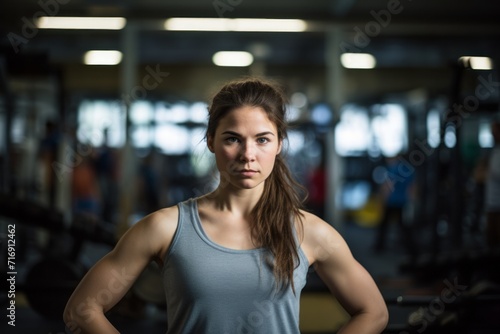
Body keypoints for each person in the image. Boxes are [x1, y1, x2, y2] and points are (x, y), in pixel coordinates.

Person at [63, 78, 388, 334]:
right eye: (233, 138)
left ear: (278, 144)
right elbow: (82, 310)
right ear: (211, 141)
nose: (248, 154)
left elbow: (373, 312)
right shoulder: (166, 228)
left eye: (262, 139)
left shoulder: (309, 232)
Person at [485, 119, 500, 247]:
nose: (492, 134)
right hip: (492, 202)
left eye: (494, 131)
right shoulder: (495, 151)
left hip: (498, 204)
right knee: (491, 238)